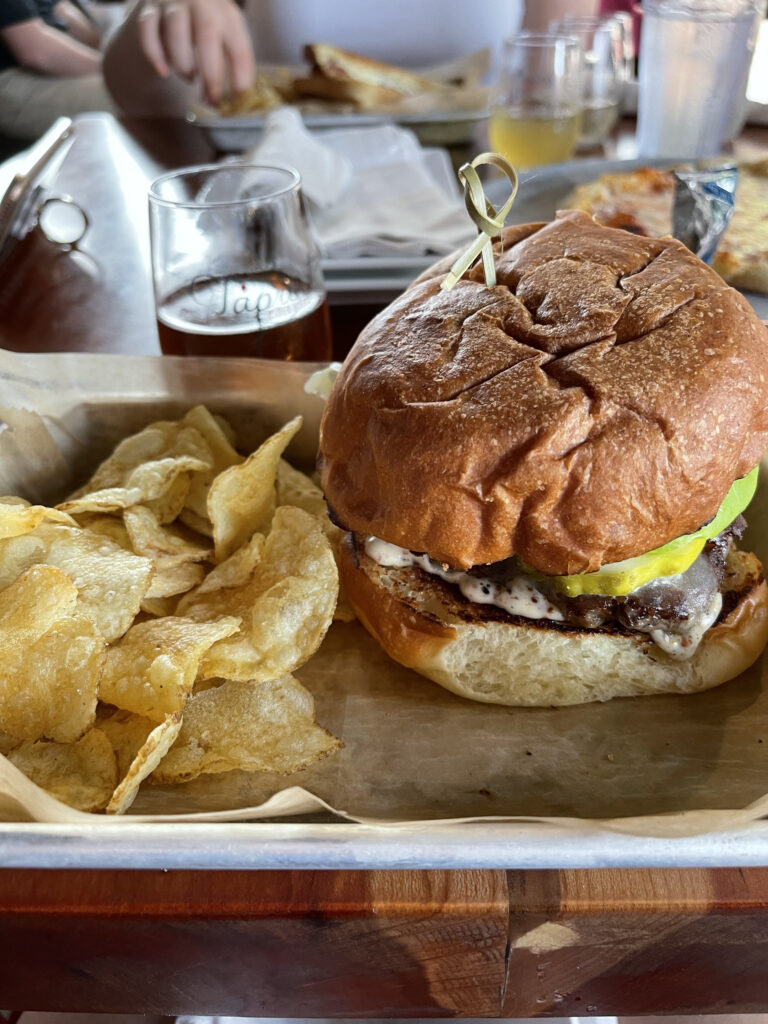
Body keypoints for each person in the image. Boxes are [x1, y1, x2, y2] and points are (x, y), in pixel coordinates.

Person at [0, 0, 257, 142]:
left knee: (176, 90)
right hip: (11, 82)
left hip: (47, 65)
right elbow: (34, 50)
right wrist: (111, 70)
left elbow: (62, 11)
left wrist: (107, 52)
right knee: (160, 104)